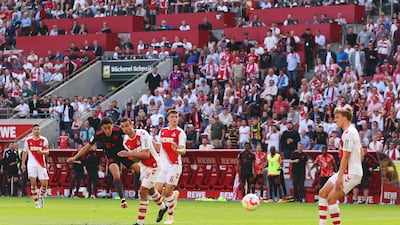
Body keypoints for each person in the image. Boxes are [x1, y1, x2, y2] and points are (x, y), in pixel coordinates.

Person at [67, 117, 140, 208]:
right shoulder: (98, 134)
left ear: (112, 126)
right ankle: (122, 199)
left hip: (123, 153)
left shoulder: (118, 129)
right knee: (116, 174)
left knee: (140, 170)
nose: (108, 130)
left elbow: (131, 132)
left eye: (109, 127)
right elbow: (87, 147)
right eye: (105, 128)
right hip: (111, 157)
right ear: (102, 128)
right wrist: (75, 157)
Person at [318, 105, 363, 225]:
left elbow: (346, 156)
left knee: (331, 199)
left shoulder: (348, 133)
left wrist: (340, 177)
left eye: (337, 117)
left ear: (345, 118)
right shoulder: (352, 131)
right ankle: (322, 223)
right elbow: (361, 152)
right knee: (322, 193)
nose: (335, 120)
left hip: (351, 173)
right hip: (349, 171)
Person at [118, 118, 167, 225]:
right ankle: (163, 207)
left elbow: (146, 154)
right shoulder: (126, 142)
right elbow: (137, 159)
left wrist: (129, 155)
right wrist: (129, 158)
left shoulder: (142, 134)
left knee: (143, 190)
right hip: (144, 167)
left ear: (132, 125)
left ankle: (140, 222)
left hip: (154, 165)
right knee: (150, 190)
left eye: (127, 125)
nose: (125, 128)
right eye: (123, 127)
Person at [154, 110, 187, 225]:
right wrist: (151, 142)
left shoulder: (180, 133)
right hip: (162, 165)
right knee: (156, 191)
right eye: (172, 117)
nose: (174, 119)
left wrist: (176, 150)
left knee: (167, 193)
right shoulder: (162, 131)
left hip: (174, 165)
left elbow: (183, 150)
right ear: (168, 118)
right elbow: (158, 148)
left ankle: (170, 218)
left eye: (176, 117)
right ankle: (167, 203)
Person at [21, 124, 50, 208]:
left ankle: (41, 195)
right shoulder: (28, 140)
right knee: (33, 184)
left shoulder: (44, 140)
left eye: (38, 129)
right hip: (31, 164)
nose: (37, 131)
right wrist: (23, 163)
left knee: (44, 184)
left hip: (41, 164)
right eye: (35, 129)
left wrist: (42, 152)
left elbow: (47, 151)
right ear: (32, 130)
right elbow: (25, 152)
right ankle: (36, 202)